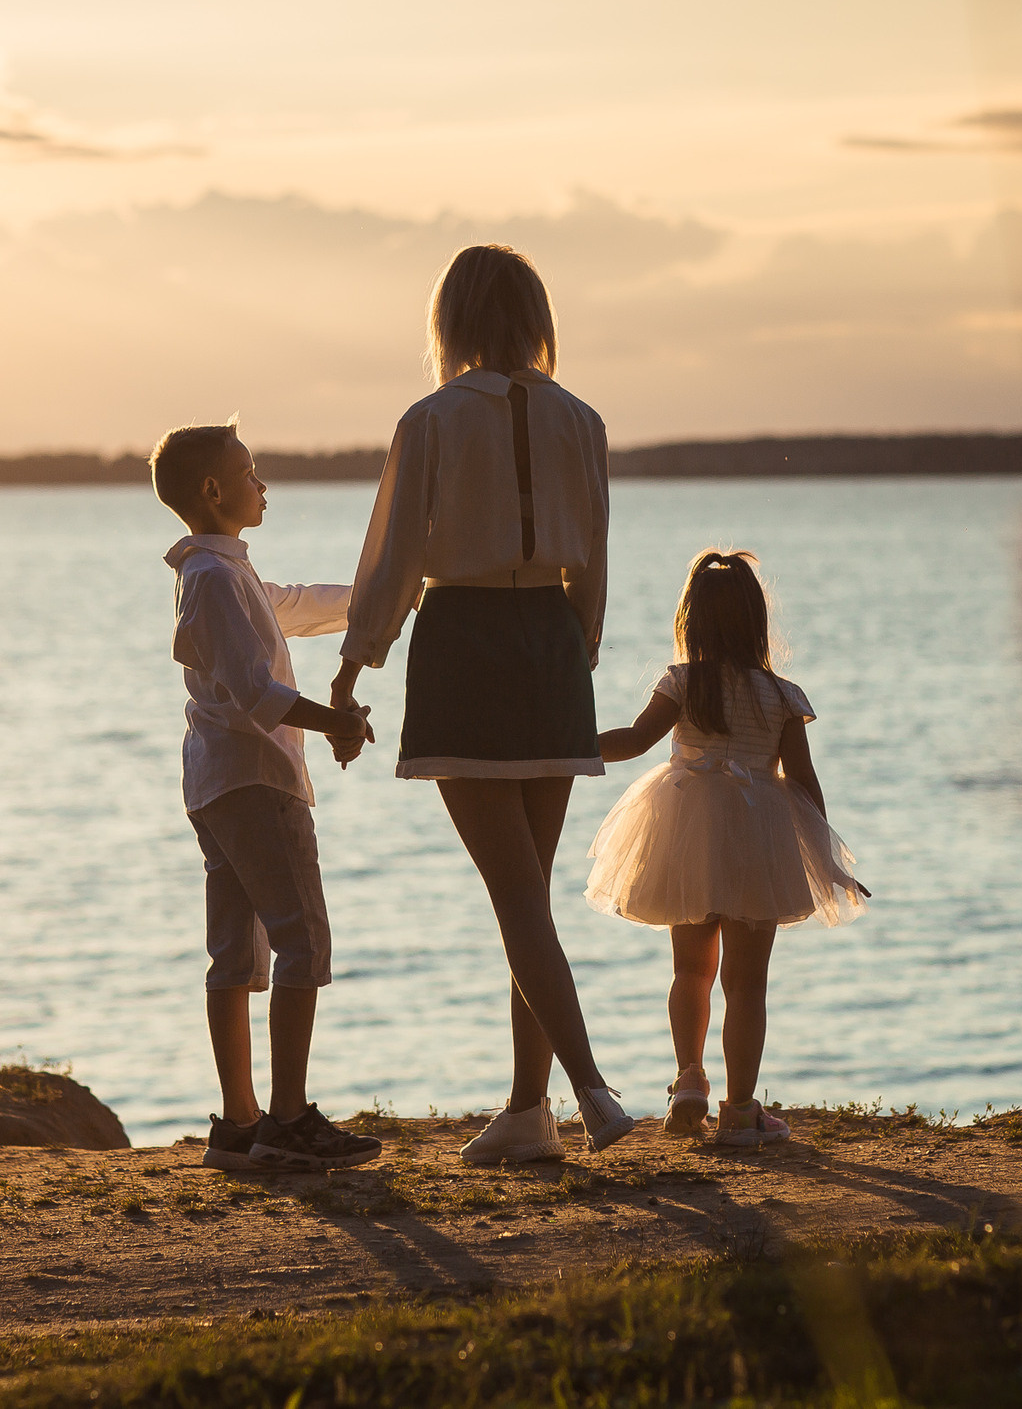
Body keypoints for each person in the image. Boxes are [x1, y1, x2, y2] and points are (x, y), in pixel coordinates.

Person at [329, 244, 639, 1163]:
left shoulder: (429, 419)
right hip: (549, 645)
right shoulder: (581, 418)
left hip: (465, 644)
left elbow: (391, 562)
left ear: (451, 320)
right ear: (536, 315)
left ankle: (590, 1091)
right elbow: (596, 560)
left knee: (517, 900)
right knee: (529, 896)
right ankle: (525, 1108)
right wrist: (578, 643)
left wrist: (353, 669)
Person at [155, 419, 383, 1172]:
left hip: (218, 783)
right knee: (301, 943)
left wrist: (383, 596)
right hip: (255, 782)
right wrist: (338, 720)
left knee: (234, 953)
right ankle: (285, 1119)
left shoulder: (220, 573)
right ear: (214, 491)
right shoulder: (216, 579)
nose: (264, 486)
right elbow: (258, 693)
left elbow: (298, 604)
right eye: (251, 473)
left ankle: (239, 1124)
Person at [584, 550, 869, 1148]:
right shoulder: (783, 696)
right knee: (747, 984)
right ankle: (740, 1112)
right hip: (757, 831)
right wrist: (827, 856)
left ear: (691, 621)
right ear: (757, 620)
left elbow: (634, 742)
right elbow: (804, 782)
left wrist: (567, 741)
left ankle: (689, 1080)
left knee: (690, 968)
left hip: (687, 826)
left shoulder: (684, 683)